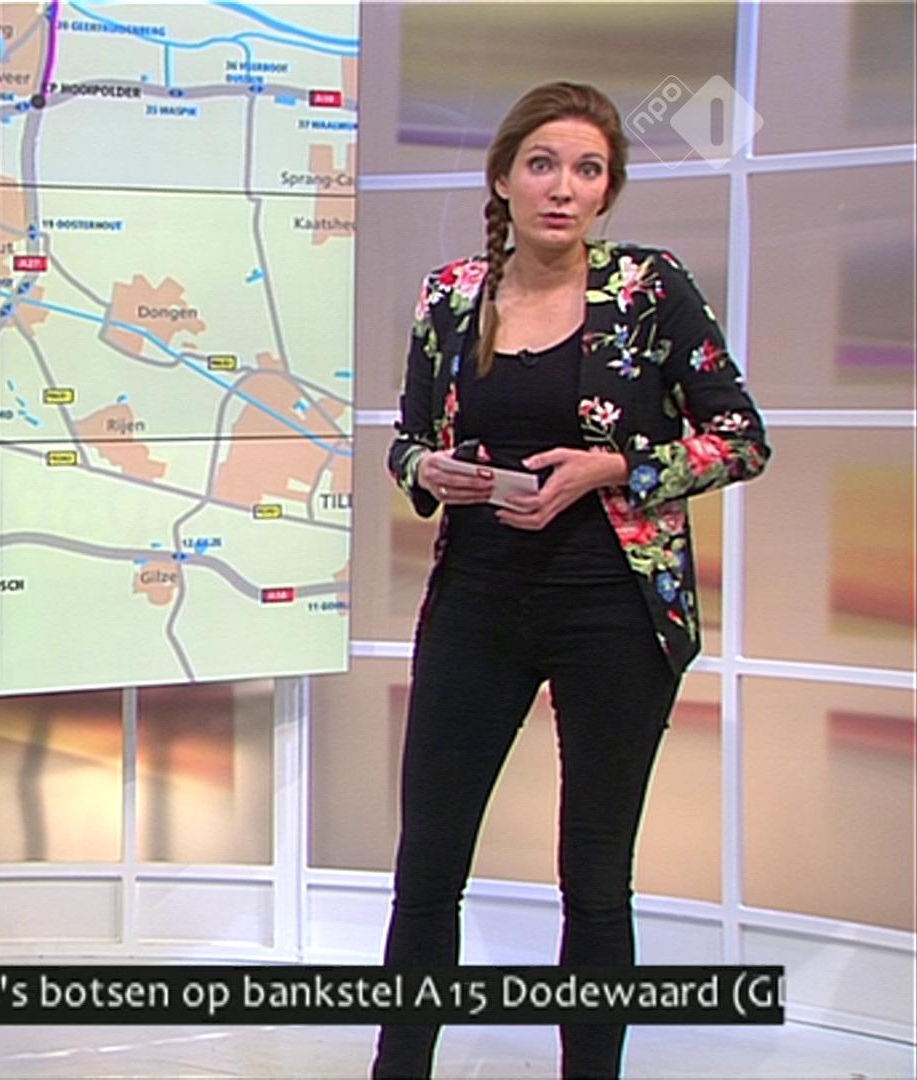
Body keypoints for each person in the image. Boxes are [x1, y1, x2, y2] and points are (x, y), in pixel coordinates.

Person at [374, 81, 770, 1079]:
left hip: (614, 612)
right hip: (477, 604)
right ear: (504, 178)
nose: (563, 188)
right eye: (543, 164)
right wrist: (429, 470)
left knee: (594, 878)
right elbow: (406, 440)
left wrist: (615, 469)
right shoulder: (450, 295)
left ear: (606, 191)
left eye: (588, 170)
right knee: (427, 869)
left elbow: (740, 438)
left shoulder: (649, 288)